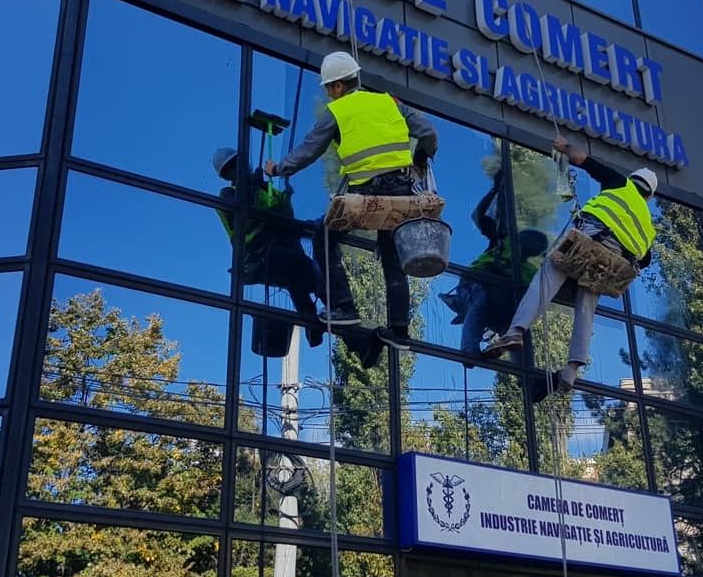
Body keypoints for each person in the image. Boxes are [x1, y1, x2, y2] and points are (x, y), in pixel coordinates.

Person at [264, 51, 438, 350]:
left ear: (337, 86)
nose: (329, 95)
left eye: (328, 89)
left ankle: (344, 307)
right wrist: (420, 157)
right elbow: (429, 134)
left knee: (325, 236)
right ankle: (399, 330)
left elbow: (309, 149)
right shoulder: (389, 102)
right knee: (393, 260)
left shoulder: (338, 111)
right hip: (401, 193)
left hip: (369, 193)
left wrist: (278, 168)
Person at [483, 135, 657, 390]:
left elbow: (582, 160)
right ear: (649, 196)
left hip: (590, 239)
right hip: (611, 263)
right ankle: (571, 370)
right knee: (587, 305)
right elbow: (646, 258)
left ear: (634, 181)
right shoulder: (648, 224)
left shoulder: (621, 184)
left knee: (548, 276)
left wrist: (564, 147)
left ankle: (516, 331)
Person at [213, 147, 325, 348]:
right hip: (257, 255)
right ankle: (331, 307)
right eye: (234, 168)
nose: (241, 170)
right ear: (228, 175)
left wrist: (285, 197)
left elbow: (285, 215)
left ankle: (313, 324)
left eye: (240, 165)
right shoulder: (227, 196)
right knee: (302, 265)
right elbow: (246, 217)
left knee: (297, 277)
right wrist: (253, 188)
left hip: (278, 249)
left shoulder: (265, 188)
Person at [444, 169, 549, 354]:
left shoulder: (528, 270)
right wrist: (495, 190)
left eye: (537, 245)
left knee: (519, 329)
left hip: (503, 303)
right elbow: (480, 216)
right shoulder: (501, 241)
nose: (533, 245)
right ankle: (469, 347)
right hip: (477, 284)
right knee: (480, 301)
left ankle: (525, 371)